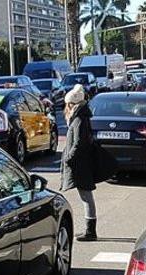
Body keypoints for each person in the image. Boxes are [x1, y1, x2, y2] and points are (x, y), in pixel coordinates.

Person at [61, 84, 98, 242]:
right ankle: (90, 230)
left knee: (86, 196)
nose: (65, 108)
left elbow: (79, 143)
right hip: (81, 162)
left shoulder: (79, 119)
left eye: (67, 105)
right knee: (85, 195)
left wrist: (69, 158)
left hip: (80, 164)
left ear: (72, 104)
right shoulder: (79, 118)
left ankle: (90, 231)